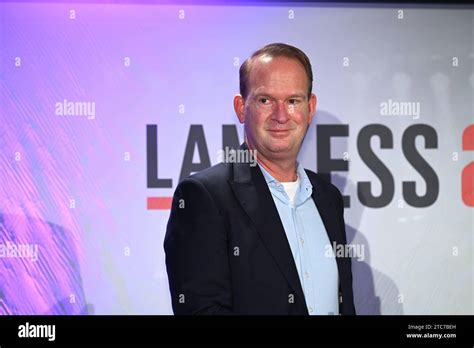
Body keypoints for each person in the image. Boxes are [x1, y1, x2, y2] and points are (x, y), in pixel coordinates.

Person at [164, 43, 356, 315]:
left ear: (310, 108)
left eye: (293, 101)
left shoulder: (327, 197)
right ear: (241, 107)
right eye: (265, 100)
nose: (280, 115)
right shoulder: (204, 197)